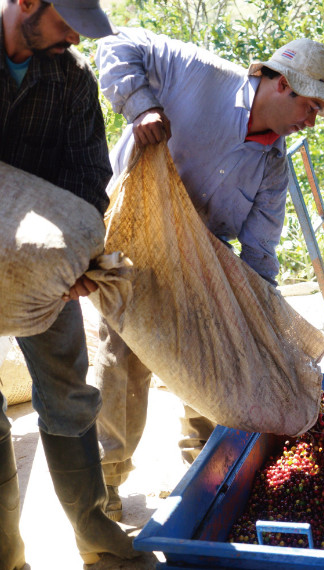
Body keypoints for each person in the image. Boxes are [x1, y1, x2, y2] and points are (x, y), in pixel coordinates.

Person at [94, 28, 324, 521]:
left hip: (200, 262)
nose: (312, 121)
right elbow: (114, 44)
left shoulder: (272, 167)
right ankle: (103, 486)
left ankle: (206, 473)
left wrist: (260, 328)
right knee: (121, 360)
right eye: (311, 106)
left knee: (215, 354)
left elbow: (259, 255)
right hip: (131, 237)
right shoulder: (197, 73)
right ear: (283, 84)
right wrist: (142, 107)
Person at [0, 0, 144, 567]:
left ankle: (98, 541)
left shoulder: (71, 78)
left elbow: (89, 174)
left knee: (67, 393)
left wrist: (76, 262)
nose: (75, 39)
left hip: (45, 272)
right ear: (27, 3)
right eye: (67, 24)